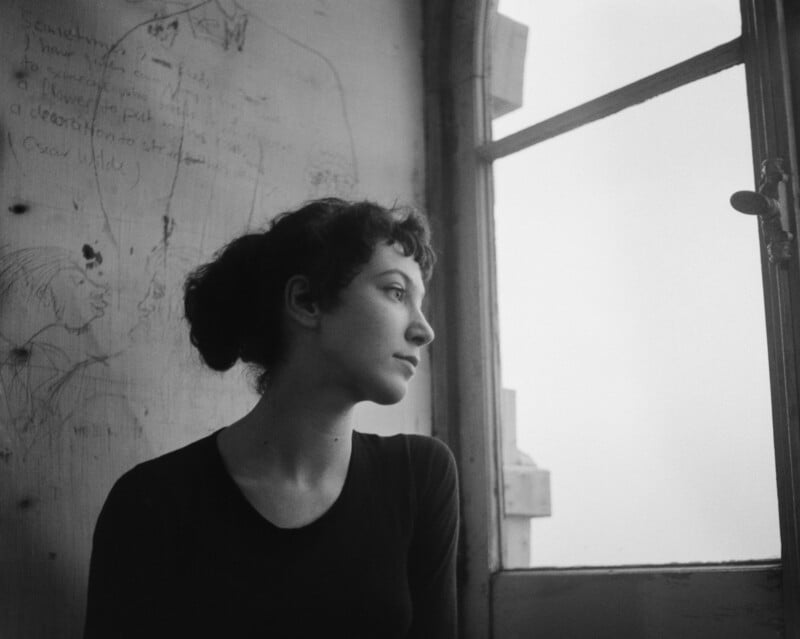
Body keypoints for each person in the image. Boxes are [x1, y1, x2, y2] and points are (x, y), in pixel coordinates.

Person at [83, 198, 459, 638]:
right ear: (306, 300)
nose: (424, 329)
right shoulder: (151, 502)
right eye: (397, 292)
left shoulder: (419, 477)